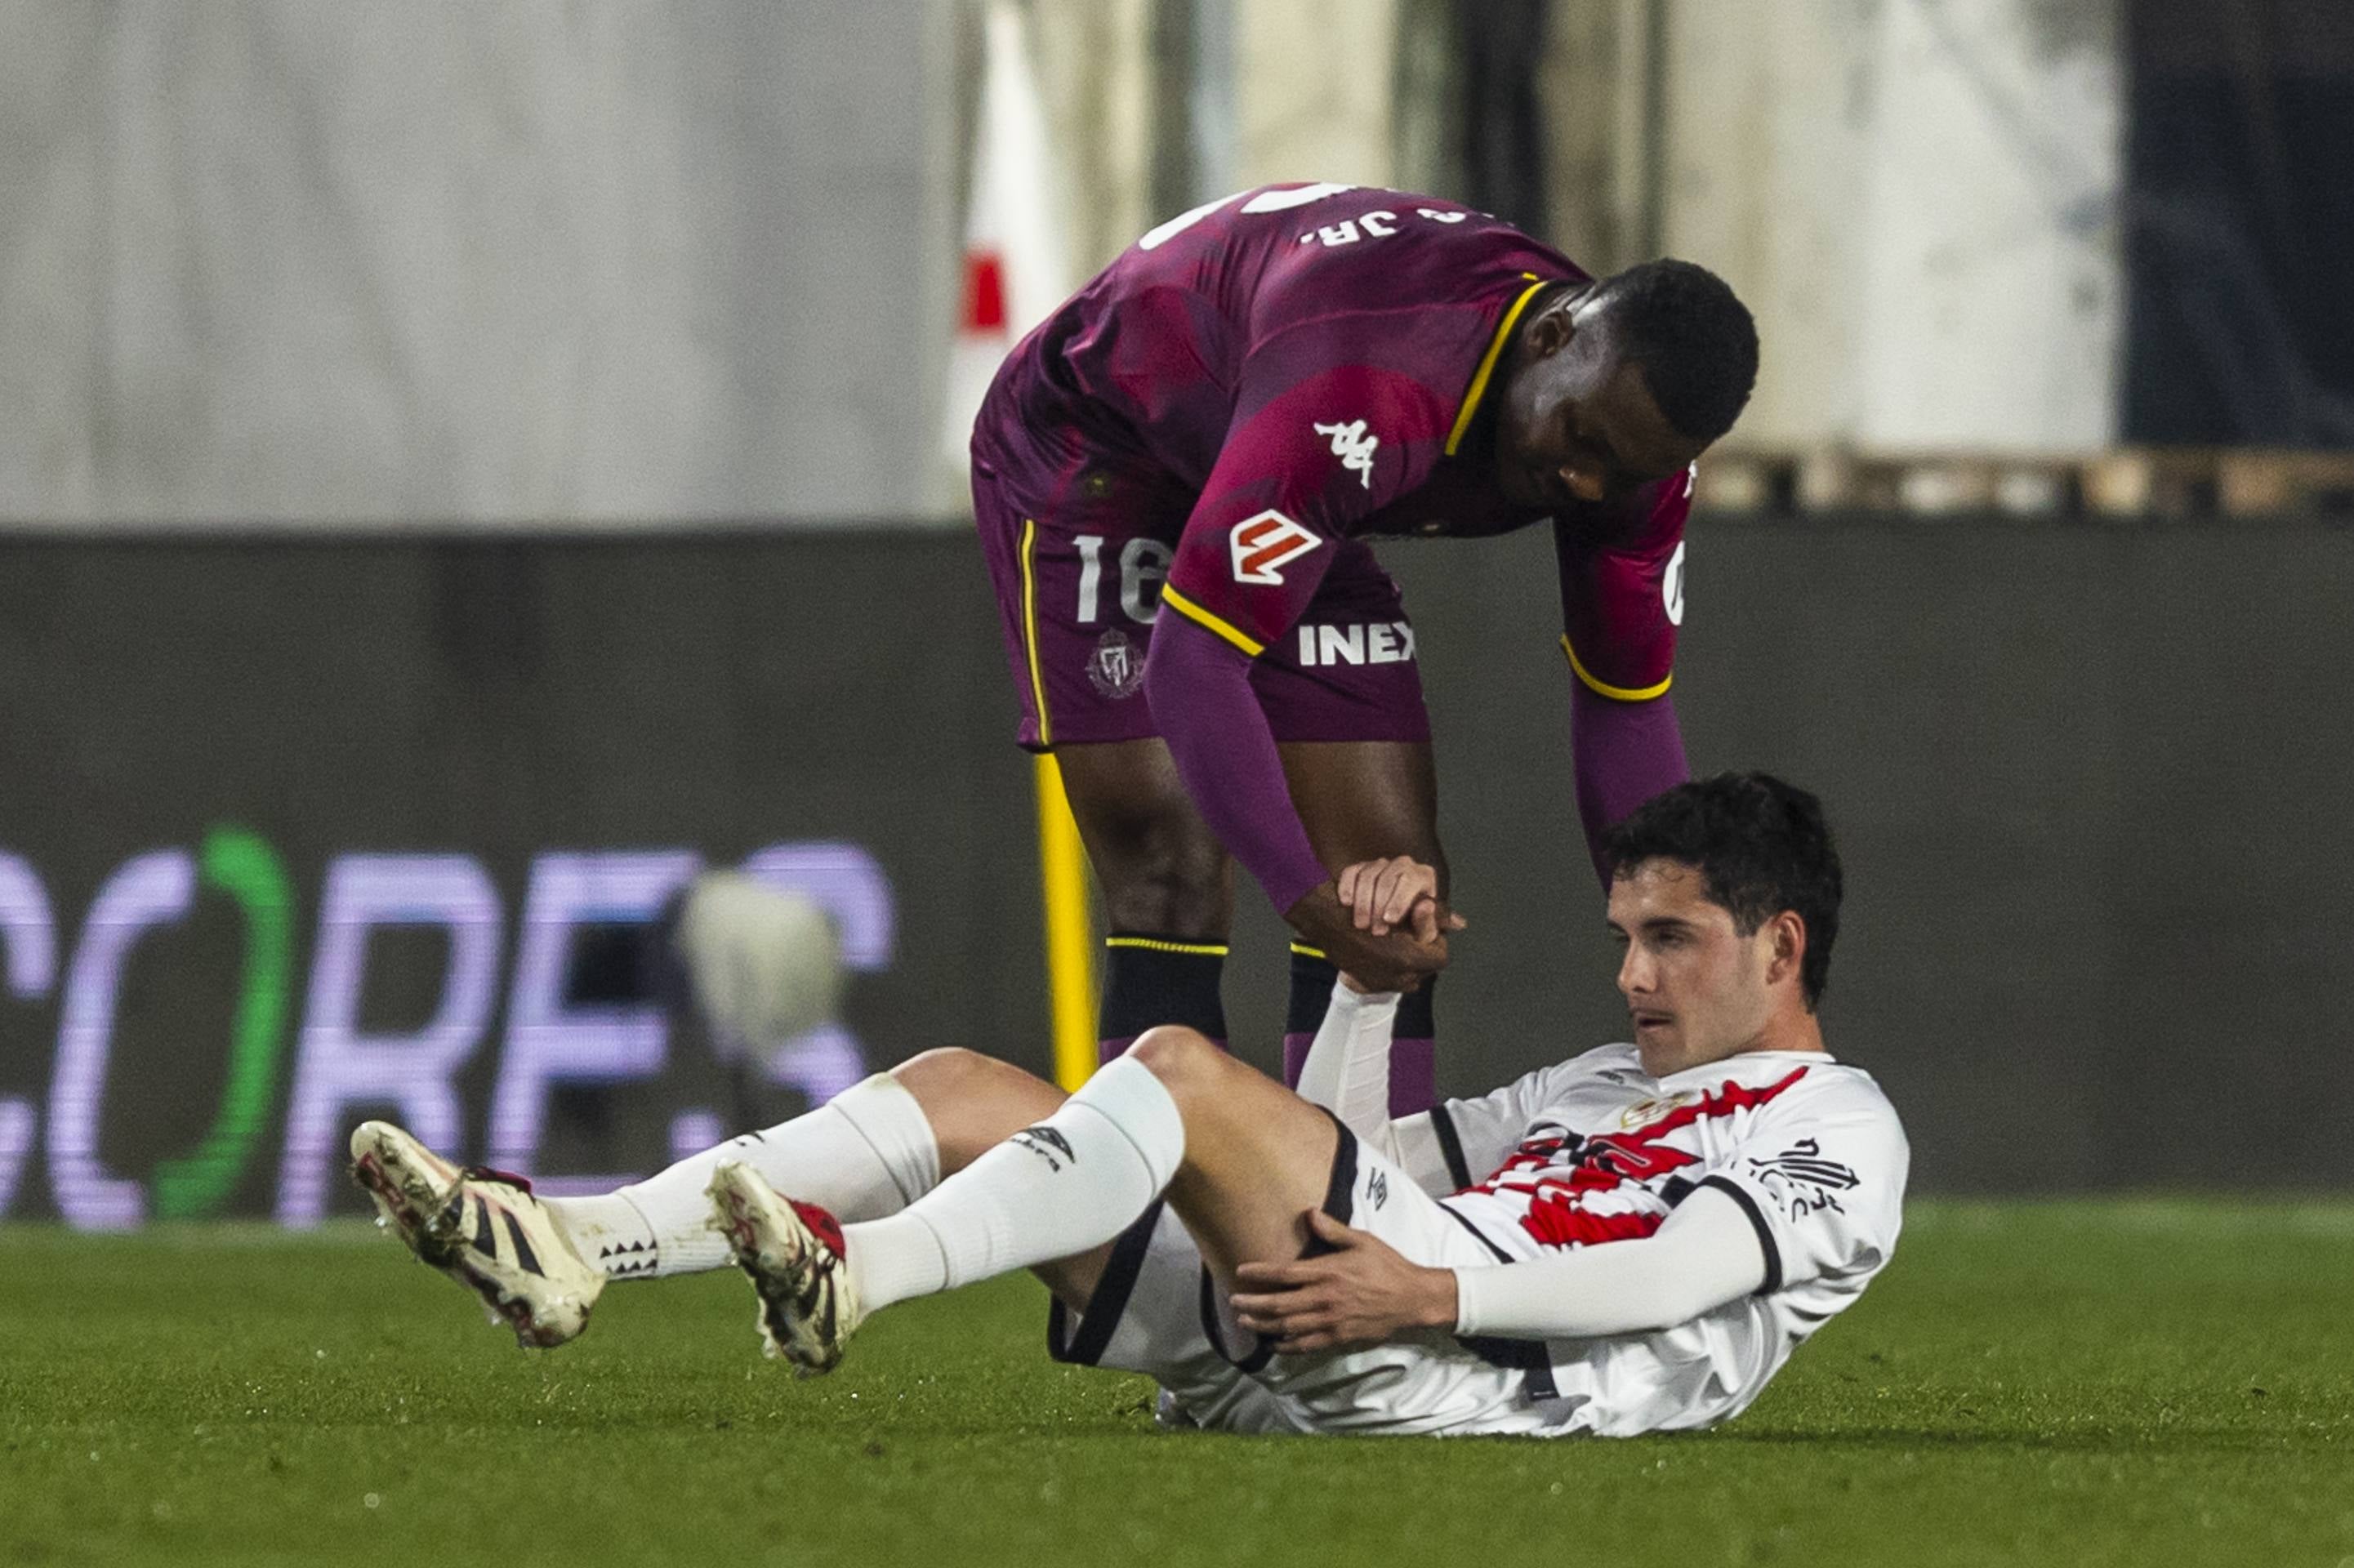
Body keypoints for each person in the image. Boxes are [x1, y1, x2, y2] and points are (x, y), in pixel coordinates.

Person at [353, 773, 1905, 1439]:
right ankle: (575, 1243)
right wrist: (1366, 988)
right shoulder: (1593, 1086)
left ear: (1780, 946)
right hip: (1317, 1333)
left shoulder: (1836, 1124)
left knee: (1168, 1071)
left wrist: (1431, 1283)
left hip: (1474, 1386)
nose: (1631, 972)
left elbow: (1689, 1271)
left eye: (1671, 939)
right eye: (1623, 936)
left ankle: (856, 1281)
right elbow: (1350, 1165)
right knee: (962, 1085)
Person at [969, 180, 1760, 1113]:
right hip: (1104, 447)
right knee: (1171, 872)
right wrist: (1301, 898)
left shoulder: (1630, 457)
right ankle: (1154, 1247)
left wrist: (1673, 935)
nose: (1587, 483)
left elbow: (1624, 707)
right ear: (1552, 337)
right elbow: (1192, 661)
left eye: (1623, 472)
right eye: (1579, 437)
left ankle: (1351, 1235)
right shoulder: (1364, 386)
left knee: (1390, 893)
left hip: (1282, 466)